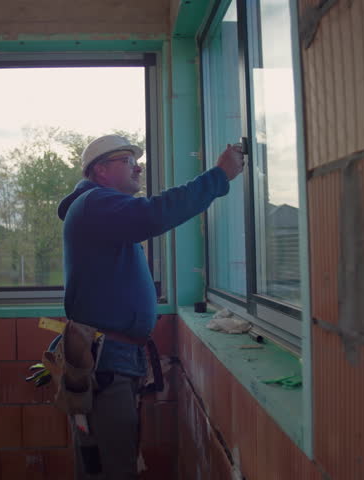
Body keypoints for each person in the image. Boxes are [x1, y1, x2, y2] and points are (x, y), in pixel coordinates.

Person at [56, 134, 245, 479]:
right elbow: (155, 214)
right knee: (113, 465)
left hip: (112, 357)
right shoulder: (95, 204)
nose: (138, 167)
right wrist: (218, 176)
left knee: (110, 456)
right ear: (100, 170)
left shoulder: (99, 210)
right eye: (128, 161)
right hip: (107, 360)